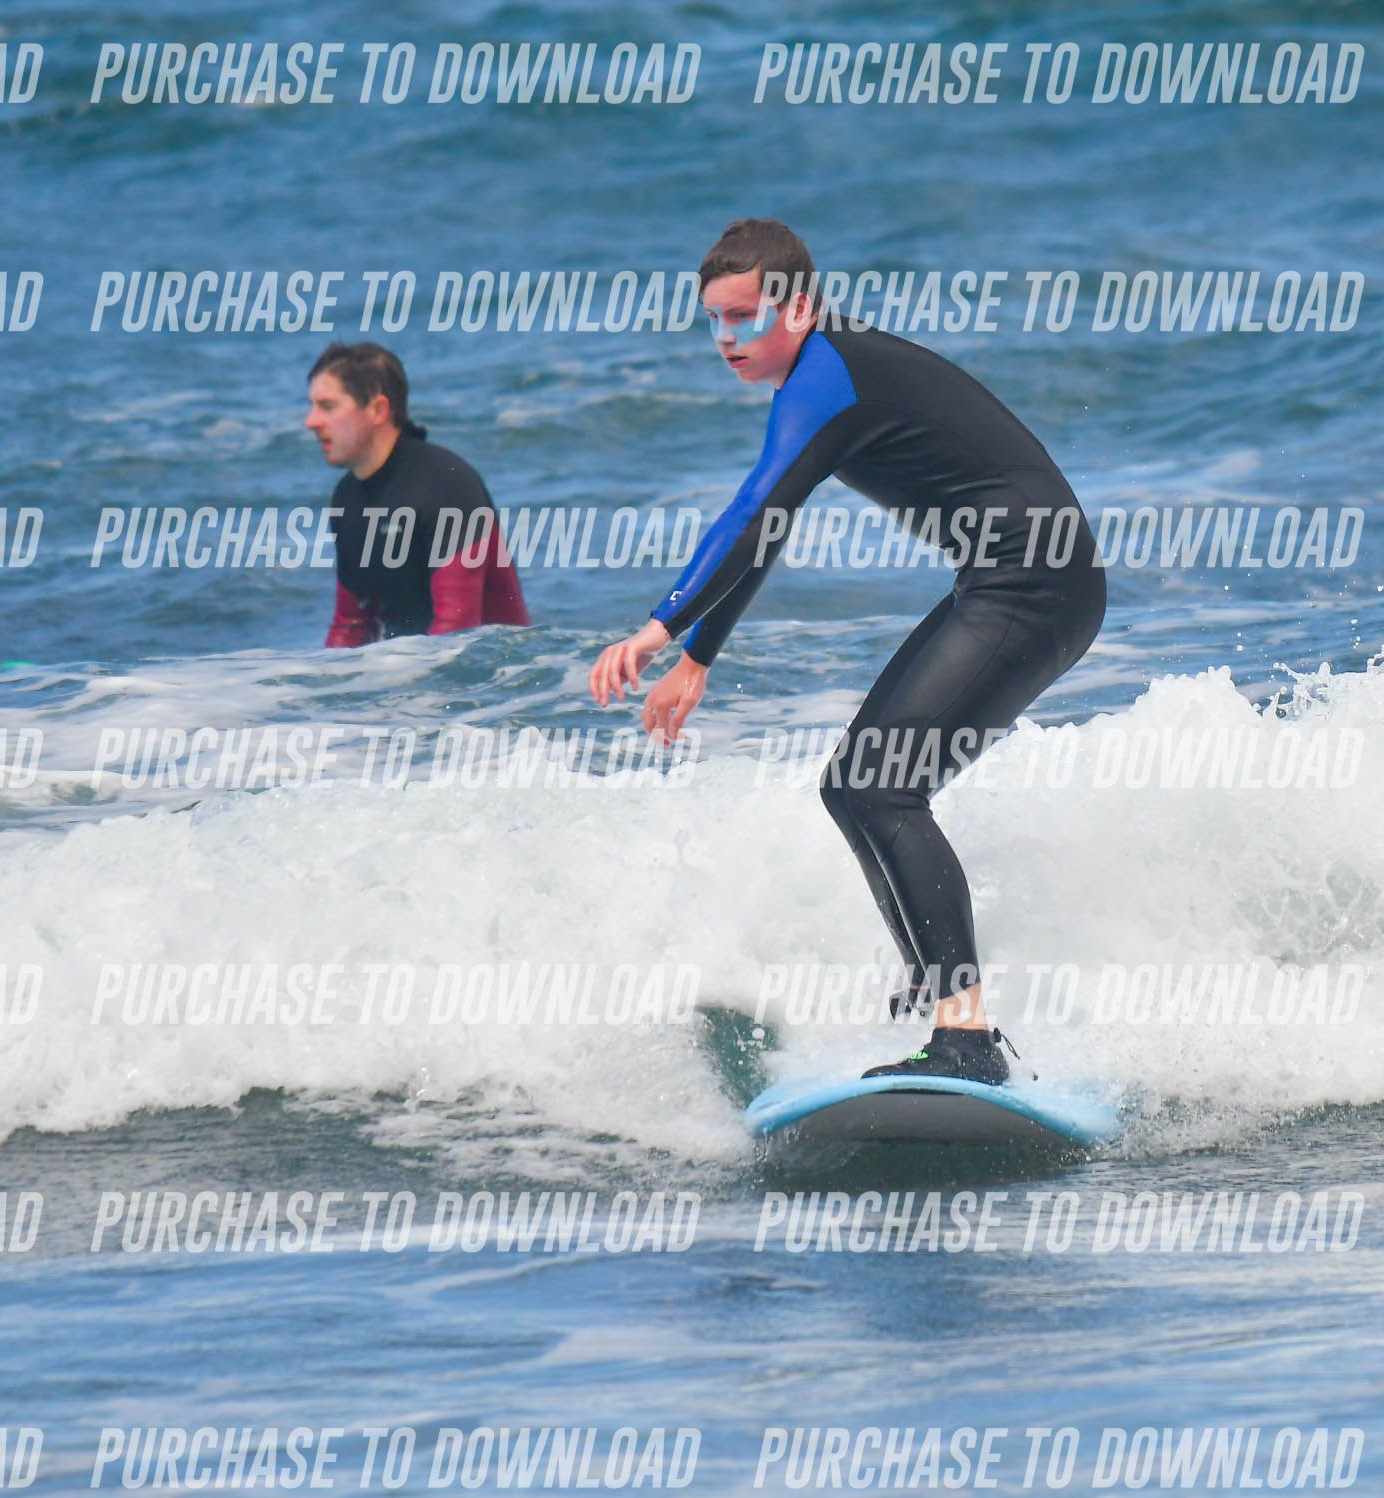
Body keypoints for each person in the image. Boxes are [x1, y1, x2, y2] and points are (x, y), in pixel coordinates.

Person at [588, 220, 1105, 1083]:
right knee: (852, 787)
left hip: (1035, 585)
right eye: (713, 320)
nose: (725, 338)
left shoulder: (827, 374)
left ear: (795, 307)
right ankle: (935, 1000)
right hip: (1012, 581)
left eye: (743, 316)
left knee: (880, 785)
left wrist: (659, 626)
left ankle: (966, 1036)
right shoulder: (827, 371)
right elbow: (770, 527)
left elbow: (751, 511)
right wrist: (698, 658)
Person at [307, 341, 528, 646]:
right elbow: (351, 627)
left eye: (328, 406)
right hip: (415, 666)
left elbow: (457, 629)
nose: (311, 421)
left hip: (498, 669)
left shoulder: (444, 485)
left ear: (377, 410)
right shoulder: (347, 499)